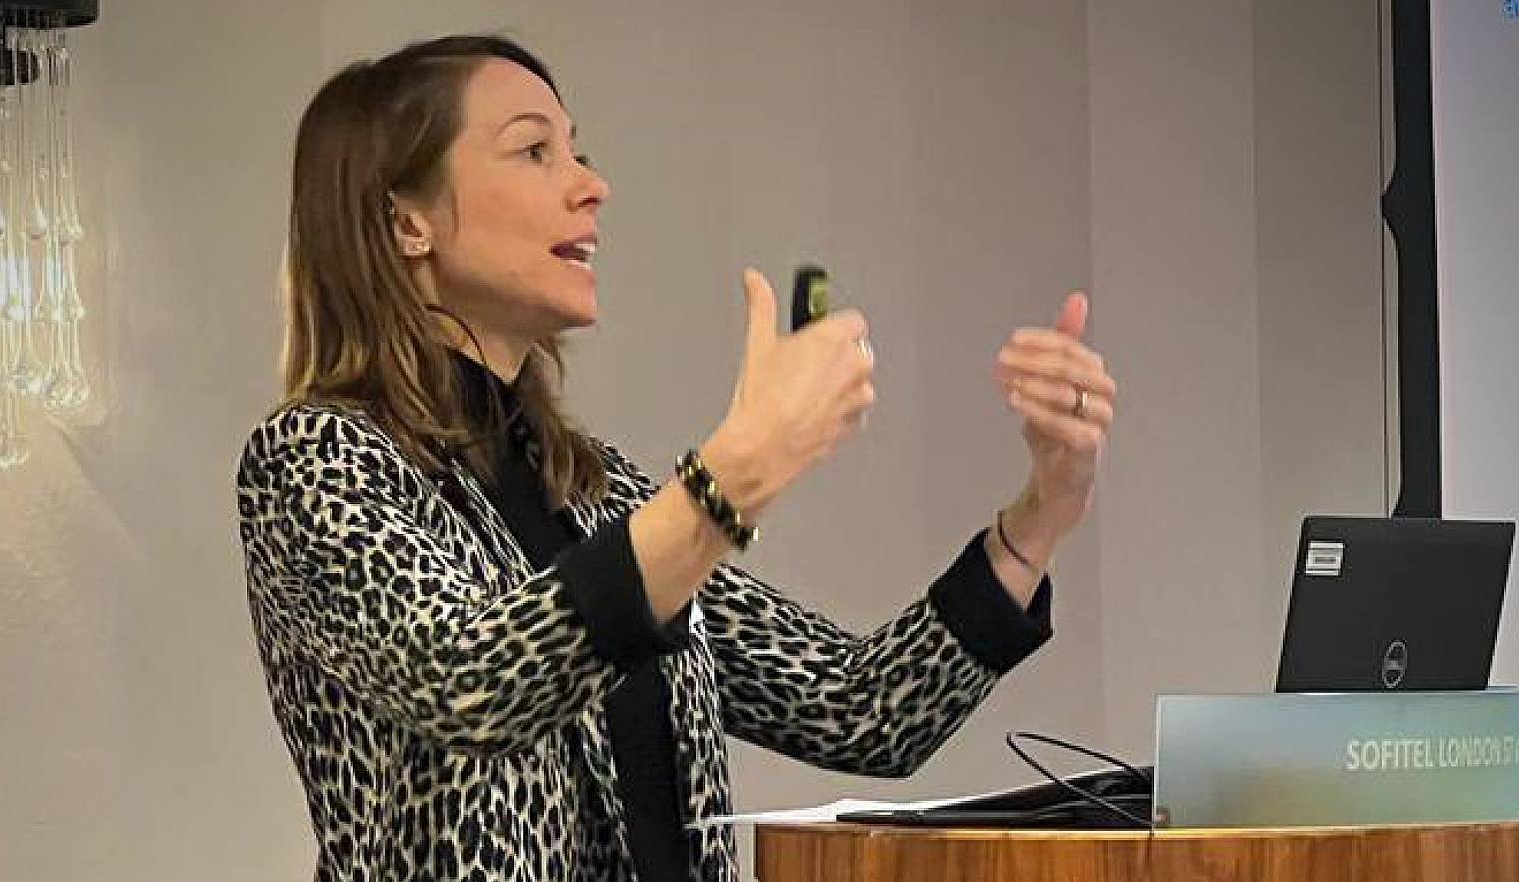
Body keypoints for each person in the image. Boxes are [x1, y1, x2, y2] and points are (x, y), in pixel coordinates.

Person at [236, 33, 1117, 882]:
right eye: (534, 151)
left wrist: (1041, 515)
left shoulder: (590, 486)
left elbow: (860, 708)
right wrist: (734, 476)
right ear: (406, 222)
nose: (592, 185)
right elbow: (472, 683)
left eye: (578, 151)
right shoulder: (314, 460)